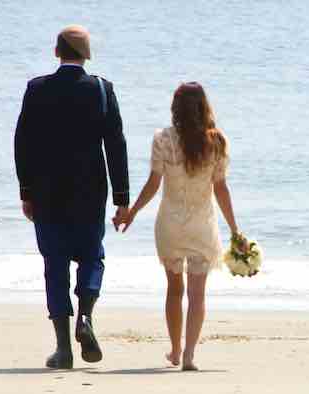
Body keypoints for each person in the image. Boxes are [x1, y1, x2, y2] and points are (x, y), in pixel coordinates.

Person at [14, 25, 129, 369]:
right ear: (86, 55)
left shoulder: (37, 89)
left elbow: (22, 143)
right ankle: (86, 318)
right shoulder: (101, 90)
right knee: (92, 258)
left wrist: (26, 191)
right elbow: (116, 145)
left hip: (47, 194)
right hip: (90, 193)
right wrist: (122, 197)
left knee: (55, 265)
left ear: (56, 52)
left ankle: (63, 349)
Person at [120, 82, 243, 371]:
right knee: (197, 293)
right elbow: (221, 189)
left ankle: (174, 350)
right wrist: (235, 229)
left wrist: (133, 211)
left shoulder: (163, 139)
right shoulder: (217, 141)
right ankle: (188, 355)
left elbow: (154, 183)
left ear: (175, 108)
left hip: (171, 224)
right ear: (204, 106)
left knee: (175, 289)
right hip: (202, 225)